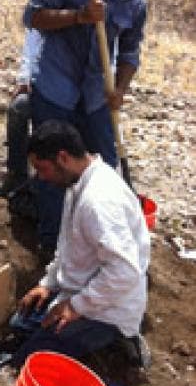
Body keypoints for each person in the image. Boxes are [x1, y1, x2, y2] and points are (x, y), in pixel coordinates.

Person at [22, 0, 176, 255]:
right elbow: (33, 17)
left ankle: (103, 247)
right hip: (55, 91)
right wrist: (78, 16)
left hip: (96, 98)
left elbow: (131, 53)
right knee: (52, 171)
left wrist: (120, 88)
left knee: (103, 171)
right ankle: (52, 249)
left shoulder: (135, 4)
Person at [12, 120, 150, 367]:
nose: (41, 178)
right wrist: (48, 283)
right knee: (19, 324)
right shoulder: (77, 183)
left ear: (62, 158)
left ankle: (119, 340)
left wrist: (76, 307)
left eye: (42, 169)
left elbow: (124, 272)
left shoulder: (99, 202)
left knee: (29, 361)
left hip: (108, 307)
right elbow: (67, 246)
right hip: (80, 289)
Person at [5, 0, 82, 195]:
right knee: (19, 110)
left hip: (80, 82)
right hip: (45, 76)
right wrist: (25, 77)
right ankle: (17, 175)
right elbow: (34, 34)